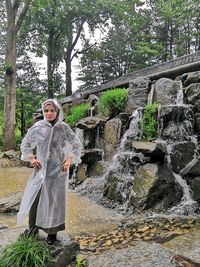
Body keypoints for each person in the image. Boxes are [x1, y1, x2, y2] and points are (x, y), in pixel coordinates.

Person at [17, 99, 82, 244]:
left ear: (57, 111)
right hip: (40, 171)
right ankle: (33, 229)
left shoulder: (63, 128)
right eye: (46, 110)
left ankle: (52, 233)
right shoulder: (38, 127)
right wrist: (32, 158)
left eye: (52, 110)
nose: (49, 113)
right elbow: (25, 143)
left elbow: (76, 143)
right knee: (36, 199)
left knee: (54, 201)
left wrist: (69, 159)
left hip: (57, 171)